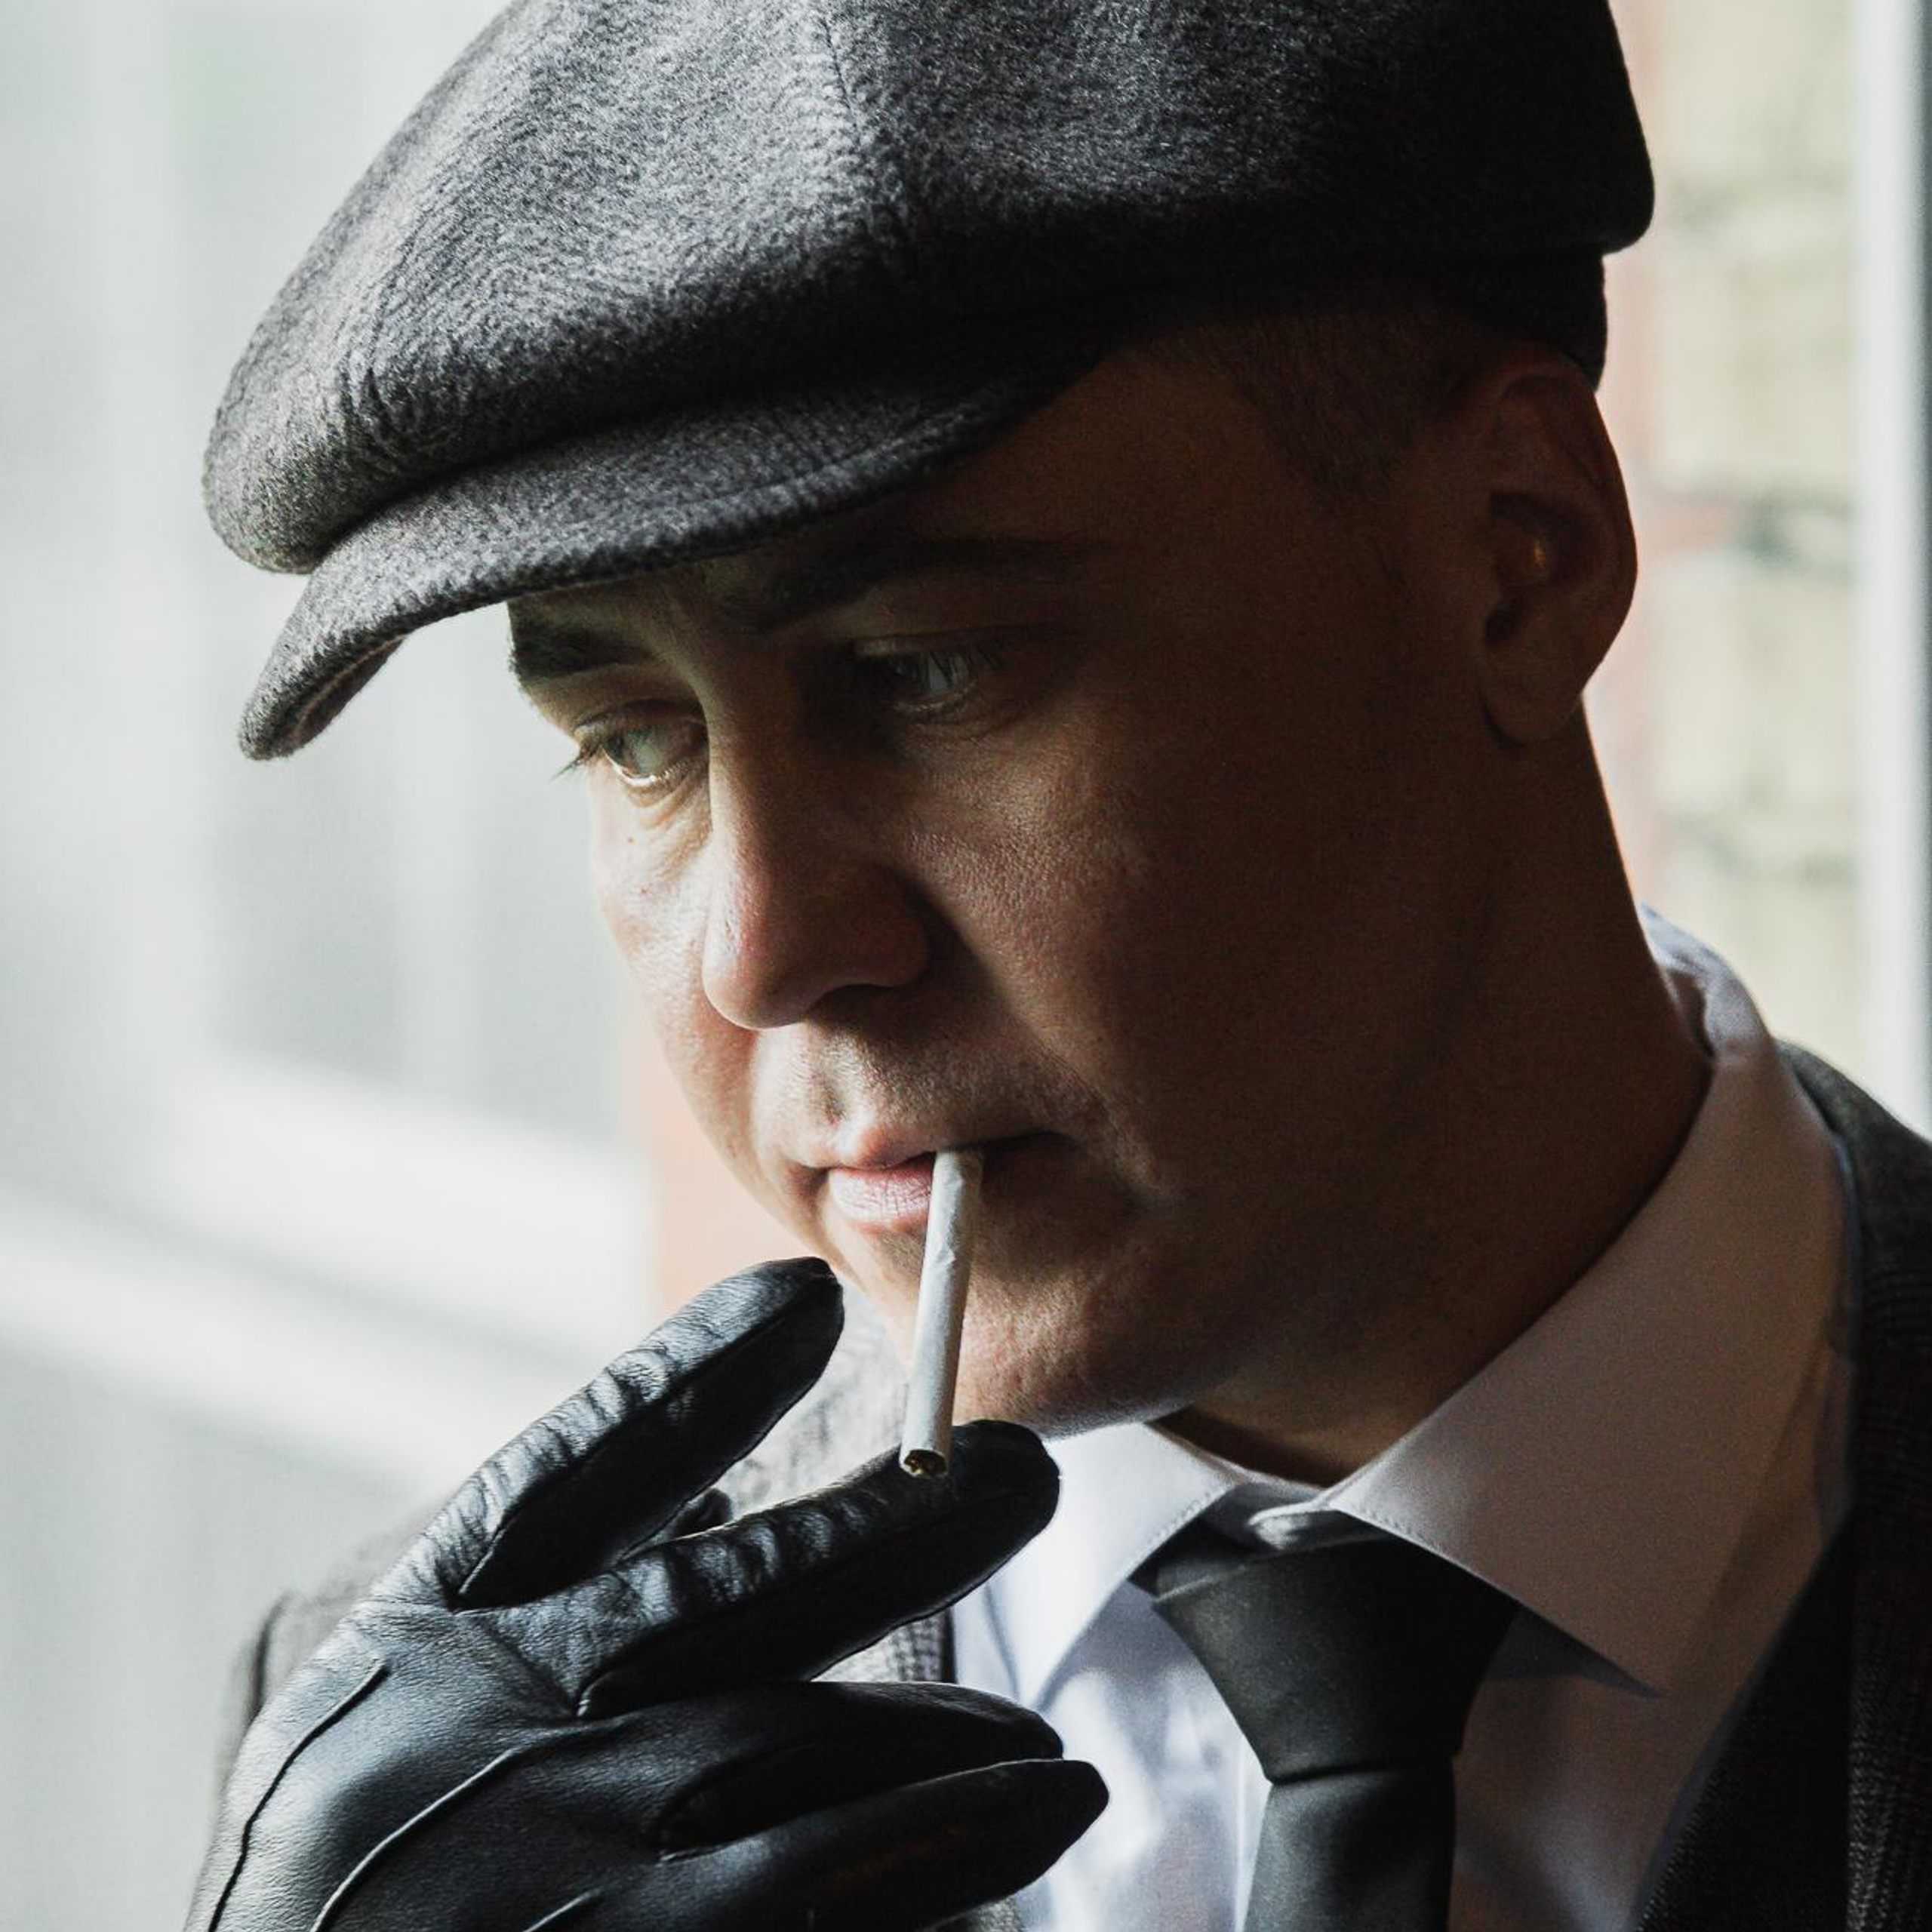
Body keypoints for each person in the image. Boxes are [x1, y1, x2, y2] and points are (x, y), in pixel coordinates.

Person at [185, 0, 1932, 1927]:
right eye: (632, 738)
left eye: (924, 671)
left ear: (1517, 553)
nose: (762, 952)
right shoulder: (405, 1785)